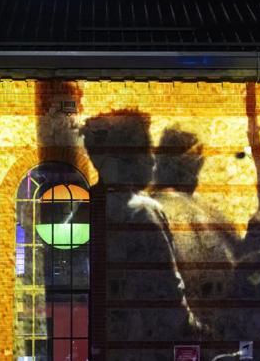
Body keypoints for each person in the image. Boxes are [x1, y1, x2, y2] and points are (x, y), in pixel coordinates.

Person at [82, 110, 201, 340]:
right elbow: (170, 299)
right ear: (124, 159)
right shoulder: (143, 212)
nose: (153, 160)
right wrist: (202, 333)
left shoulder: (83, 207)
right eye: (145, 149)